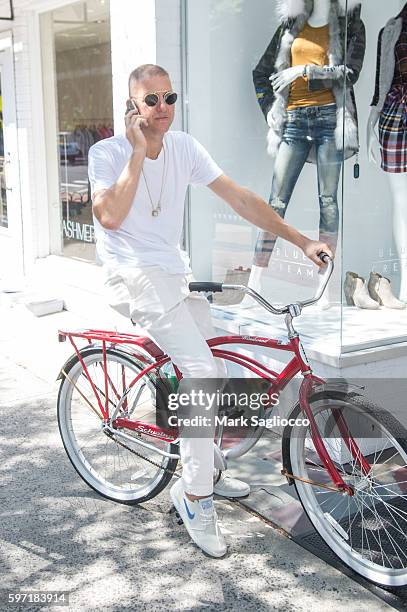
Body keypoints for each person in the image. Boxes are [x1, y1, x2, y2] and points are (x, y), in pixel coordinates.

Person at [88, 64, 332, 559]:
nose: (162, 108)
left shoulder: (185, 148)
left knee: (216, 366)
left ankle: (208, 464)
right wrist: (137, 152)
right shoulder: (108, 153)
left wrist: (301, 240)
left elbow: (241, 198)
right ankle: (194, 495)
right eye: (150, 100)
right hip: (132, 278)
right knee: (201, 372)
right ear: (131, 107)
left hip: (172, 273)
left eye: (168, 97)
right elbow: (110, 215)